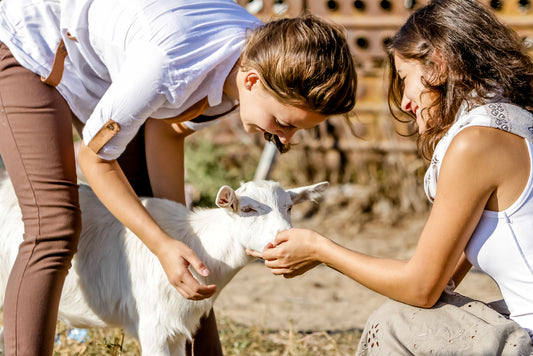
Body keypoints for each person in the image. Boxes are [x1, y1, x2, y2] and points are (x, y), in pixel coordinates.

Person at [0, 0, 357, 353]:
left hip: (102, 67)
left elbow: (167, 128)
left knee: (178, 244)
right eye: (284, 123)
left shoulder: (256, 60)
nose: (285, 139)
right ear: (251, 81)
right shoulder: (170, 66)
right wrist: (161, 243)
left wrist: (177, 237)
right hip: (32, 42)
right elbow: (93, 159)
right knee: (53, 224)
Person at [248, 0, 533, 354]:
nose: (405, 102)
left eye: (404, 78)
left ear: (438, 65)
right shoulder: (516, 123)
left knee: (395, 324)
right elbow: (441, 280)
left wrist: (322, 250)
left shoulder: (476, 143)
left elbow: (422, 288)